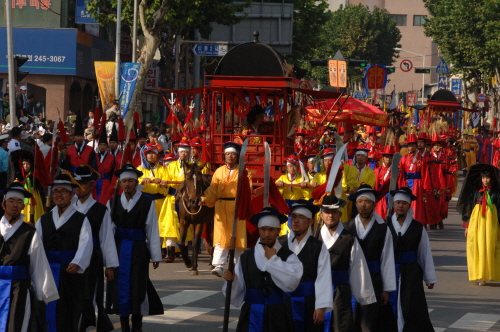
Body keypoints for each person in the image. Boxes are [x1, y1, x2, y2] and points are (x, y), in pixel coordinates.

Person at [222, 206, 303, 332]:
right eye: (263, 229)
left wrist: (274, 260)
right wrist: (232, 280)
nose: (267, 234)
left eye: (271, 230)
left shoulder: (288, 256)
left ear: (278, 230)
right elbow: (237, 293)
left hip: (278, 314)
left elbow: (292, 282)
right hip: (251, 314)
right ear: (258, 230)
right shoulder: (246, 258)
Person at [106, 164, 163, 332]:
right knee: (120, 286)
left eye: (130, 181)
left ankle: (137, 323)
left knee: (137, 285)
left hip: (138, 250)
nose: (127, 184)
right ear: (120, 183)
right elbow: (109, 231)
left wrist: (155, 255)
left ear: (136, 181)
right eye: (124, 181)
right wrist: (108, 257)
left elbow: (152, 229)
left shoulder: (146, 202)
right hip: (118, 249)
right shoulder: (113, 202)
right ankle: (124, 324)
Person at [36, 173, 94, 331]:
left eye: (63, 191)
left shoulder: (81, 219)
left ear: (71, 194)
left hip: (69, 273)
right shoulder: (43, 220)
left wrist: (77, 262)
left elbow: (86, 243)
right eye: (56, 191)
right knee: (45, 312)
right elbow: (36, 246)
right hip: (47, 272)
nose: (59, 195)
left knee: (68, 311)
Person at [0, 182, 59, 331]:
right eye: (11, 201)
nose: (15, 205)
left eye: (19, 202)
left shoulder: (30, 232)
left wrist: (44, 292)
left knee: (16, 325)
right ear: (4, 205)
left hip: (19, 289)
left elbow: (38, 263)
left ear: (22, 206)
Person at [318, 194, 376, 332]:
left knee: (341, 325)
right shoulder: (315, 238)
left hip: (341, 291)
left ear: (339, 214)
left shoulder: (349, 238)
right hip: (319, 290)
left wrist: (363, 296)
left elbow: (358, 268)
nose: (330, 216)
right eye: (327, 212)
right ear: (321, 215)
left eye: (334, 212)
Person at [72, 165, 118, 332]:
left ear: (91, 185)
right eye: (76, 184)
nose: (79, 188)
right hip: (71, 256)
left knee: (89, 294)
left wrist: (110, 265)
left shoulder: (100, 209)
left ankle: (88, 323)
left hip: (93, 259)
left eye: (83, 184)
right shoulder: (69, 208)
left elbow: (106, 238)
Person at [345, 185, 397, 332]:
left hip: (374, 279)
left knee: (370, 320)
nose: (363, 205)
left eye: (367, 201)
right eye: (360, 201)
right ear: (355, 204)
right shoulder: (347, 228)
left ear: (374, 205)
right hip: (351, 278)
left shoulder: (382, 228)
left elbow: (386, 259)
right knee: (351, 317)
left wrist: (386, 289)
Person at [278, 200, 333, 332]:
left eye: (301, 217)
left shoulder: (317, 246)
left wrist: (321, 306)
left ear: (310, 222)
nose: (295, 221)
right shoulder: (279, 243)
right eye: (293, 217)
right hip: (282, 301)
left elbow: (323, 277)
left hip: (308, 301)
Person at [387, 187, 436, 332]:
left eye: (404, 203)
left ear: (409, 205)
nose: (401, 206)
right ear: (393, 205)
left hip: (411, 272)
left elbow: (424, 252)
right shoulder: (386, 225)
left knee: (412, 305)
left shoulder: (417, 227)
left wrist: (429, 277)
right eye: (398, 203)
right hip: (390, 271)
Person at [201, 142, 251, 276]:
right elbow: (213, 189)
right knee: (221, 236)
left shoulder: (243, 172)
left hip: (236, 206)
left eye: (233, 154)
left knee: (238, 236)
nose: (230, 156)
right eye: (227, 154)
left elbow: (248, 190)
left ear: (237, 156)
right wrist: (204, 199)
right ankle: (219, 265)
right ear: (224, 156)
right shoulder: (218, 171)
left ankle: (238, 264)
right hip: (221, 206)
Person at [459, 165, 500, 285]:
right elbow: (469, 208)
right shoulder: (476, 193)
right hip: (476, 221)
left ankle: (491, 273)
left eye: (487, 178)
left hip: (491, 222)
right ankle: (481, 275)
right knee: (477, 246)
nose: (485, 180)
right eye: (483, 178)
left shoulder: (496, 193)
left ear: (492, 179)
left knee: (490, 246)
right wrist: (467, 225)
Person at [158, 136, 191, 262]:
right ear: (178, 152)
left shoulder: (191, 166)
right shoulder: (171, 166)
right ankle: (170, 253)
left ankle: (184, 251)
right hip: (172, 198)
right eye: (182, 151)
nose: (184, 154)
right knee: (170, 225)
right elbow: (166, 180)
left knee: (186, 225)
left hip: (186, 200)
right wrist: (165, 182)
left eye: (186, 152)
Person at [397, 133, 431, 226]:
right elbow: (401, 174)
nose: (410, 147)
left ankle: (416, 224)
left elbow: (425, 175)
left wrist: (425, 189)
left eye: (412, 145)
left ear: (416, 146)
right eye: (409, 145)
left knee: (416, 206)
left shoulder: (421, 159)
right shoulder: (403, 159)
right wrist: (402, 186)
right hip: (406, 183)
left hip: (417, 184)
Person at [342, 148, 376, 222]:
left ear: (366, 158)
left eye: (362, 156)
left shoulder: (370, 172)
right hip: (350, 198)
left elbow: (370, 185)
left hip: (362, 199)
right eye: (358, 155)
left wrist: (359, 188)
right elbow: (344, 181)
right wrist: (350, 188)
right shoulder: (350, 169)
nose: (360, 157)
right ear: (355, 157)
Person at [374, 146, 395, 218]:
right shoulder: (377, 170)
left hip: (390, 194)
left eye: (390, 157)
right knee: (380, 214)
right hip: (380, 194)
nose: (388, 159)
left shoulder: (395, 171)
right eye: (386, 157)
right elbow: (375, 184)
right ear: (383, 158)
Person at [95, 128, 116, 204]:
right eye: (101, 145)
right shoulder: (95, 156)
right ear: (98, 146)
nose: (102, 146)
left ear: (107, 146)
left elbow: (113, 172)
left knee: (104, 201)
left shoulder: (112, 158)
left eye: (104, 145)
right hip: (95, 181)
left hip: (106, 182)